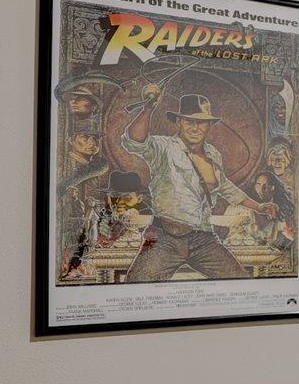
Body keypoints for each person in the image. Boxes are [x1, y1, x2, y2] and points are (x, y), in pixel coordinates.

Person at [118, 86, 275, 282]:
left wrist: (258, 206)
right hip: (166, 239)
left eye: (201, 122)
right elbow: (134, 141)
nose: (195, 128)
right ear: (179, 122)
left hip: (204, 240)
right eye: (189, 121)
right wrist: (149, 107)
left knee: (239, 280)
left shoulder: (213, 154)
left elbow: (225, 186)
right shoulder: (165, 148)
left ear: (209, 125)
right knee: (136, 284)